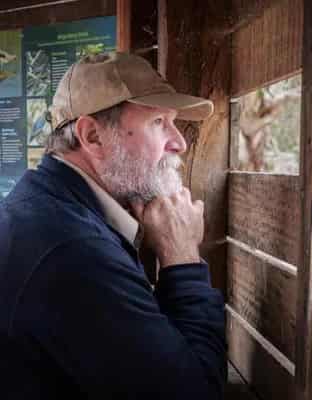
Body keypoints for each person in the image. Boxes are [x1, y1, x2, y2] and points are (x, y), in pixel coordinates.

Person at [0, 52, 226, 399]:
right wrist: (181, 258)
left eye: (174, 122)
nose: (179, 142)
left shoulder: (51, 207)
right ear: (92, 136)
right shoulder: (73, 251)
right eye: (158, 123)